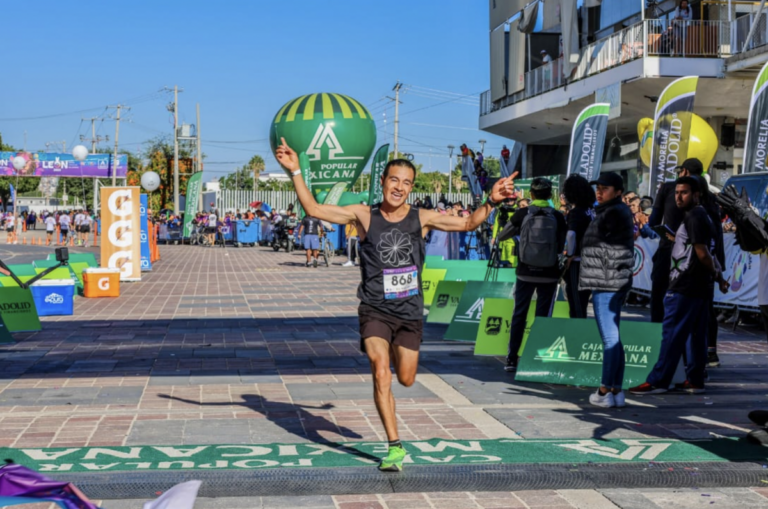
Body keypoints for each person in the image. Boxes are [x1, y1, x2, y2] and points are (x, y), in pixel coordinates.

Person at [275, 137, 514, 472]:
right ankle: (394, 446)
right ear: (383, 182)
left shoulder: (422, 218)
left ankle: (399, 384)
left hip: (409, 313)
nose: (399, 187)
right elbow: (314, 209)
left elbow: (467, 223)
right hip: (374, 309)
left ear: (412, 188)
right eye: (393, 180)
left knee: (406, 377)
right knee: (379, 369)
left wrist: (491, 201)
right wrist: (296, 170)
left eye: (406, 183)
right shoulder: (364, 215)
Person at [630, 177, 729, 396]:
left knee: (672, 334)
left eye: (683, 192)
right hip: (699, 286)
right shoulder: (703, 216)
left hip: (685, 285)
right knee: (695, 335)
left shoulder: (695, 216)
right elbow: (705, 250)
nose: (678, 197)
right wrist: (718, 277)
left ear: (696, 194)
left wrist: (715, 274)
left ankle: (659, 381)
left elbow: (703, 252)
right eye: (676, 193)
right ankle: (694, 380)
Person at [579, 172, 634, 407]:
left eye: (605, 188)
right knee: (614, 338)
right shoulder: (613, 211)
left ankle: (603, 392)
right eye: (598, 188)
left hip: (607, 280)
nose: (599, 192)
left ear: (619, 191)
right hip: (612, 279)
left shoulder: (613, 212)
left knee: (610, 338)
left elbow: (606, 246)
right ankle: (616, 390)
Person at [501, 178, 567, 372]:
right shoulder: (557, 216)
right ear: (550, 195)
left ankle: (512, 358)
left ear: (531, 194)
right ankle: (537, 358)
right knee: (543, 317)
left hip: (525, 272)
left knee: (519, 314)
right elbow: (563, 243)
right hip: (549, 273)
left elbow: (502, 236)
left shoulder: (522, 213)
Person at [648, 159, 699, 322]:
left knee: (659, 293)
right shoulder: (707, 193)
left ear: (684, 171)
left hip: (669, 249)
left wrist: (669, 234)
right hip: (696, 251)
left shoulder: (668, 188)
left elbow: (654, 220)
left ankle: (657, 333)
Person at [562, 175, 595, 319]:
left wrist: (569, 255)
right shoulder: (593, 211)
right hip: (593, 260)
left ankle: (577, 336)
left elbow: (571, 235)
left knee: (576, 303)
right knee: (583, 300)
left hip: (578, 261)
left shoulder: (576, 212)